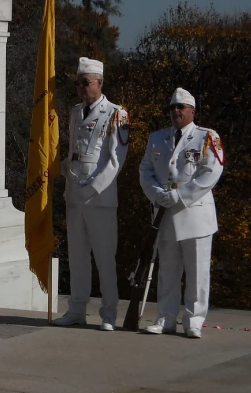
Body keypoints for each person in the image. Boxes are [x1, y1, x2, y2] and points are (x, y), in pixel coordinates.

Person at [139, 88, 224, 338]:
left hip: (195, 214)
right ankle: (165, 317)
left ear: (192, 111)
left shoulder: (207, 137)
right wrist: (156, 193)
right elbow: (145, 171)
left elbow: (211, 173)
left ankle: (194, 321)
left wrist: (181, 195)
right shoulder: (157, 138)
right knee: (167, 270)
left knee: (197, 272)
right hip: (165, 213)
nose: (176, 111)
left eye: (181, 107)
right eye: (173, 107)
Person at [53, 57, 130, 331]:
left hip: (100, 199)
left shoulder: (115, 114)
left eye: (85, 83)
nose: (81, 88)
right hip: (74, 194)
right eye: (78, 84)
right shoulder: (75, 112)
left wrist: (94, 188)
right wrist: (55, 170)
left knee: (104, 257)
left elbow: (115, 160)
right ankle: (76, 310)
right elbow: (75, 153)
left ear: (99, 83)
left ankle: (108, 314)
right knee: (77, 256)